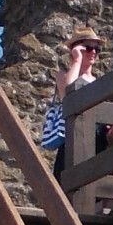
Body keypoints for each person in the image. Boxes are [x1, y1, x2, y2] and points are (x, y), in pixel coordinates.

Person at [40, 33, 106, 176]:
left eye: (97, 49)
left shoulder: (100, 82)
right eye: (88, 48)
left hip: (97, 137)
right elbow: (68, 92)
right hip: (73, 137)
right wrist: (77, 60)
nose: (93, 52)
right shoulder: (63, 75)